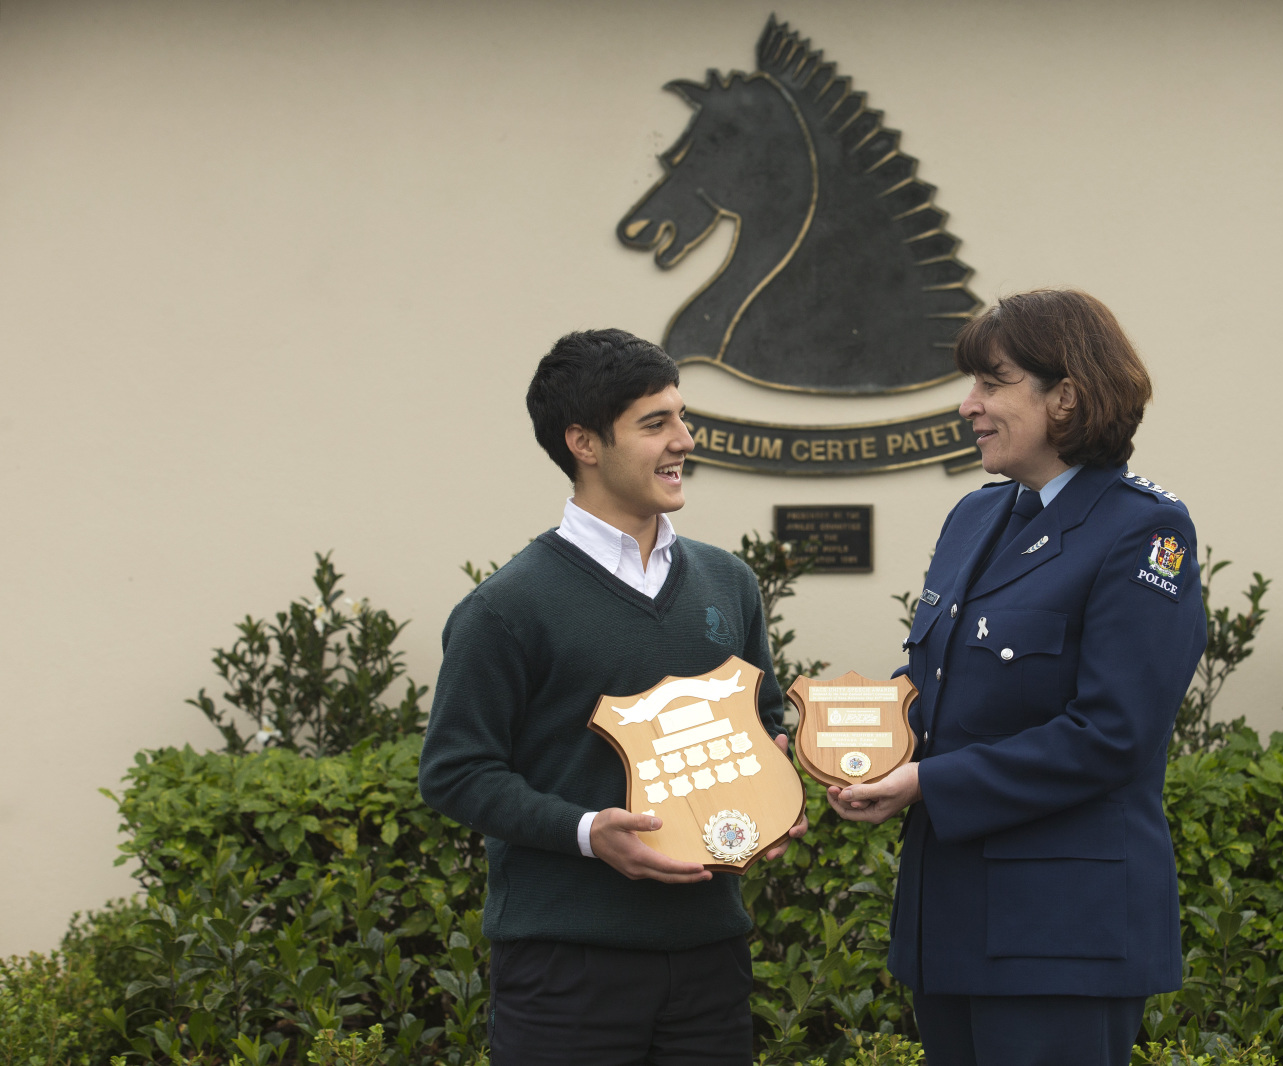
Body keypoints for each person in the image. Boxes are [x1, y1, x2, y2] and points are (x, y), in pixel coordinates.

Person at [826, 290, 1206, 1066]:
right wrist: (846, 742)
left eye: (992, 383)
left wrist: (925, 782)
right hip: (952, 920)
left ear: (1065, 396)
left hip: (1062, 934)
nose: (968, 405)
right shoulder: (976, 517)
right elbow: (934, 684)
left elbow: (1112, 735)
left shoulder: (1143, 531)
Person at [419, 328, 806, 1065]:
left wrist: (772, 798)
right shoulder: (506, 608)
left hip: (710, 955)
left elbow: (762, 719)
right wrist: (587, 831)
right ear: (584, 443)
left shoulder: (729, 582)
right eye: (655, 423)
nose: (684, 440)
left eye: (682, 417)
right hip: (566, 968)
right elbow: (455, 771)